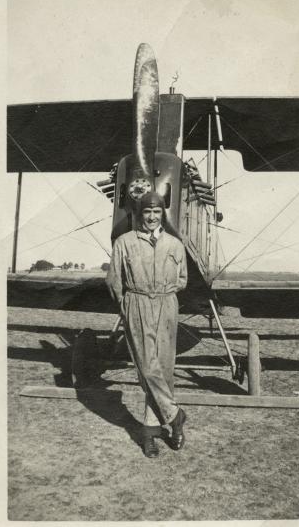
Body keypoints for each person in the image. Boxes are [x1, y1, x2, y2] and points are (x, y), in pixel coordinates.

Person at [106, 191, 188, 458]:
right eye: (146, 212)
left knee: (164, 369)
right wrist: (128, 305)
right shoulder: (124, 242)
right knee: (146, 366)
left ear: (163, 213)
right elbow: (113, 282)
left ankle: (153, 432)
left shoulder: (175, 244)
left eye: (157, 212)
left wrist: (166, 294)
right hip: (136, 303)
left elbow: (183, 279)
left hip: (167, 304)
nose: (152, 217)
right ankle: (175, 414)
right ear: (138, 214)